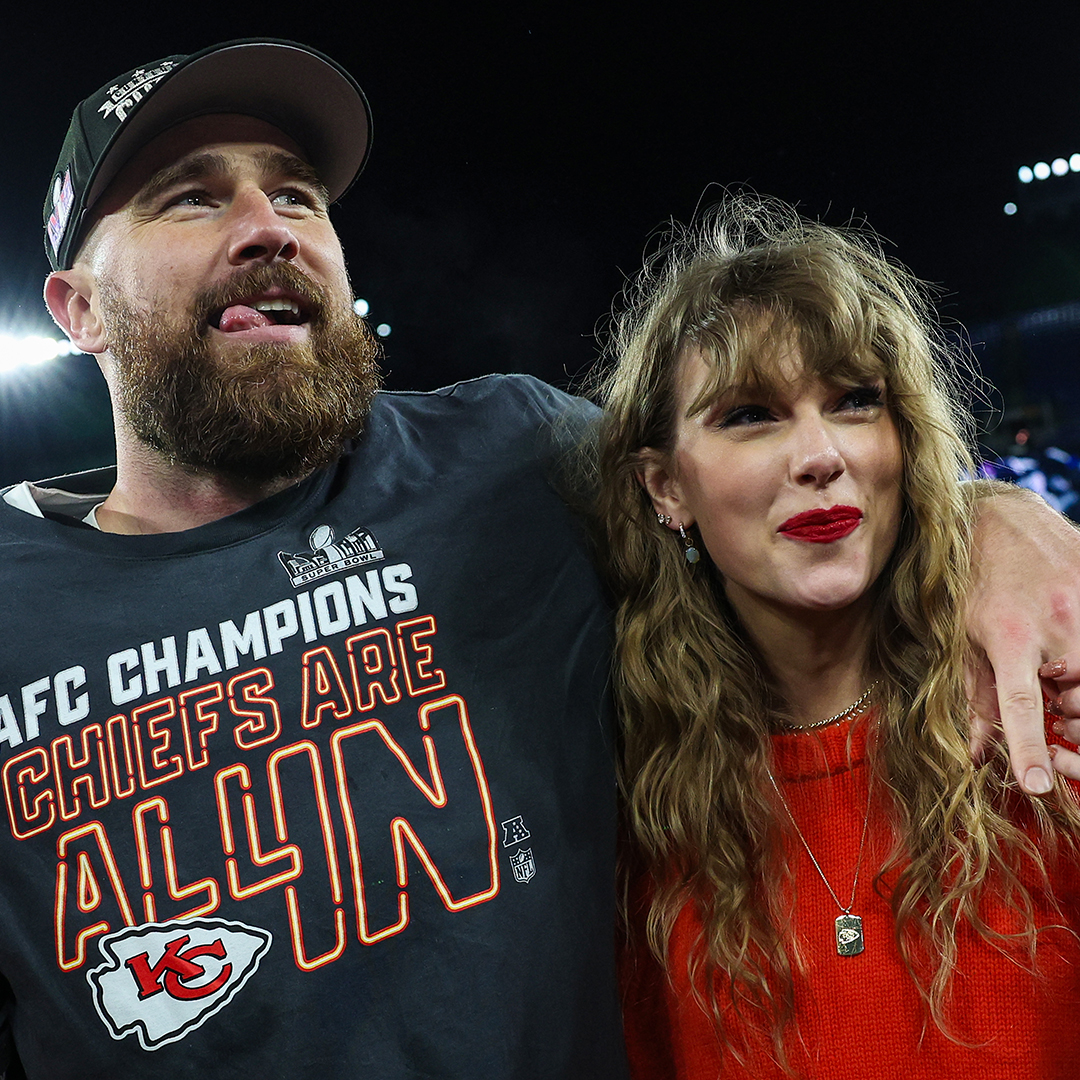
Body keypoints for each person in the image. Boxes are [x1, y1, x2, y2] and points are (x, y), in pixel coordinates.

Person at [0, 36, 1076, 1080]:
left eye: (297, 195)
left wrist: (992, 520)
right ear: (78, 309)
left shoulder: (513, 454)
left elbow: (748, 463)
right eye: (190, 196)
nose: (267, 226)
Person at [598, 196, 1080, 1078]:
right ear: (666, 488)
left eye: (855, 401)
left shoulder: (1045, 718)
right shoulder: (627, 809)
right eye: (750, 414)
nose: (820, 456)